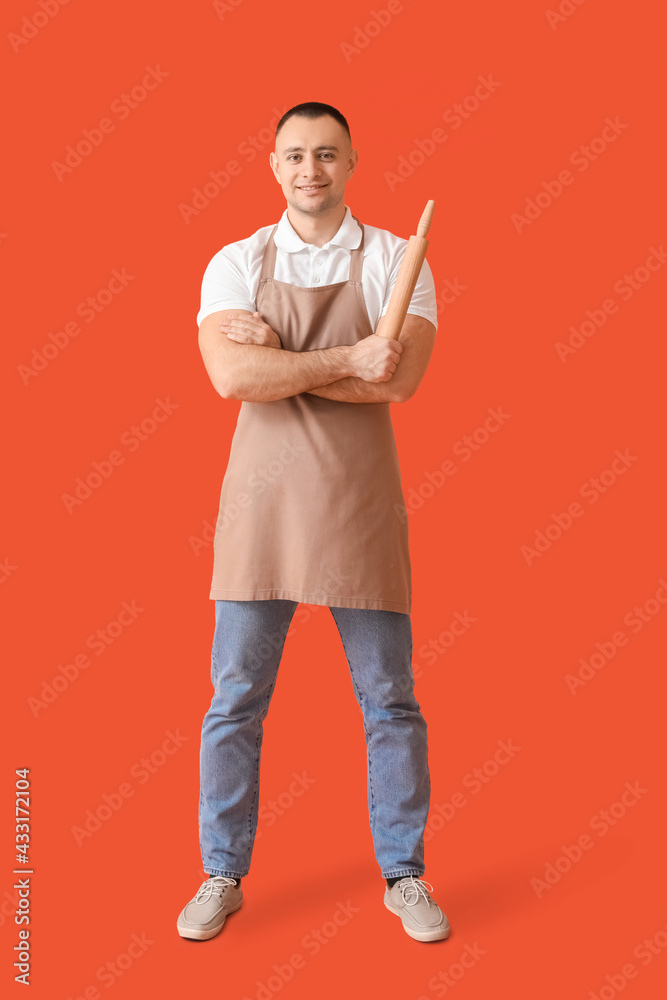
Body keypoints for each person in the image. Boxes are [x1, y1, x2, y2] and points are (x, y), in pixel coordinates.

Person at [177, 102, 449, 944]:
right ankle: (220, 872)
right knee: (234, 702)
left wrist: (282, 367)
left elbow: (397, 386)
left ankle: (404, 875)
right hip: (258, 511)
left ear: (351, 161)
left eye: (326, 154)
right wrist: (346, 358)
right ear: (272, 164)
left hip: (360, 508)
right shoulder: (234, 260)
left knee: (391, 702)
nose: (310, 169)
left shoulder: (398, 260)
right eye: (295, 154)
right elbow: (229, 376)